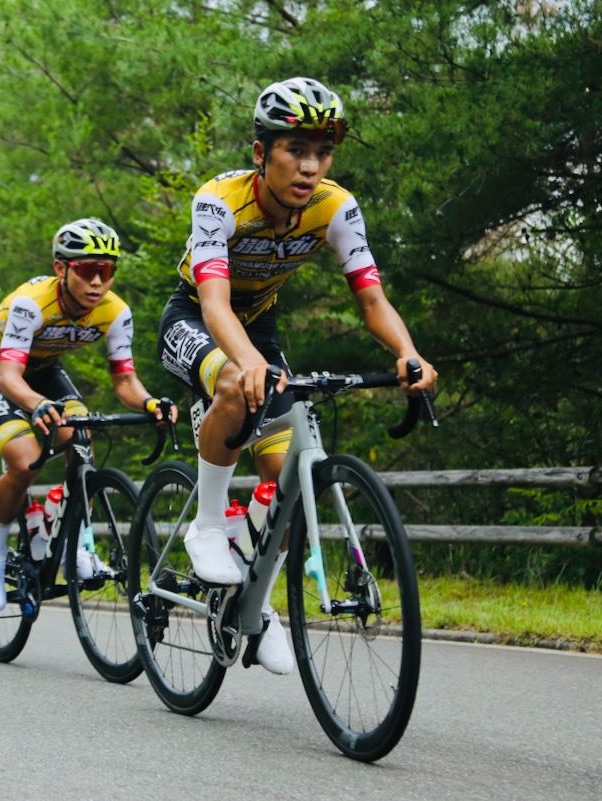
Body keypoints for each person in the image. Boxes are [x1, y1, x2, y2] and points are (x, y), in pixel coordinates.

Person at [155, 77, 438, 675]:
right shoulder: (219, 199)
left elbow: (371, 299)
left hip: (260, 327)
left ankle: (254, 606)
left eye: (323, 153)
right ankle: (207, 527)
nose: (310, 167)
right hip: (197, 318)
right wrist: (248, 364)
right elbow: (212, 303)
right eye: (295, 151)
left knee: (288, 483)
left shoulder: (336, 205)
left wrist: (408, 353)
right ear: (261, 153)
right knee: (235, 382)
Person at [0, 218, 175, 611]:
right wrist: (37, 406)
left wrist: (151, 403)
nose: (98, 281)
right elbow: (10, 378)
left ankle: (78, 543)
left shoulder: (115, 312)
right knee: (24, 462)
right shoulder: (31, 304)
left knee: (81, 437)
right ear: (61, 269)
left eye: (107, 270)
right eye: (87, 270)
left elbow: (125, 383)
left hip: (46, 372)